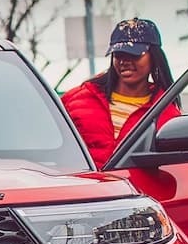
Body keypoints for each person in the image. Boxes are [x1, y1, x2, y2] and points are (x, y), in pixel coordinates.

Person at [61, 18, 181, 169]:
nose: (124, 61)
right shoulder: (75, 100)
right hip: (83, 189)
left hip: (135, 192)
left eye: (134, 54)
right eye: (119, 54)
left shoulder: (168, 115)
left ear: (154, 56)